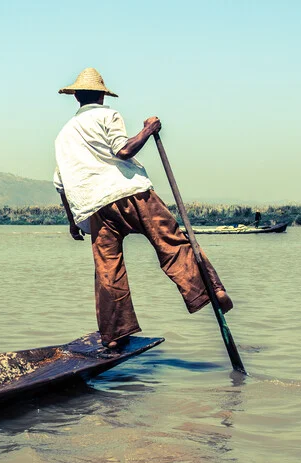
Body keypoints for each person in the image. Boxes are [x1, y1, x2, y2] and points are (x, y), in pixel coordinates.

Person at [53, 67, 233, 349]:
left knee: (108, 271)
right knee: (172, 243)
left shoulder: (63, 137)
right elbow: (123, 151)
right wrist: (149, 129)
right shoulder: (106, 115)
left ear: (76, 96)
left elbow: (61, 184)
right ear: (101, 96)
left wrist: (72, 223)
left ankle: (114, 334)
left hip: (95, 208)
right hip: (131, 193)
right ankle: (211, 292)